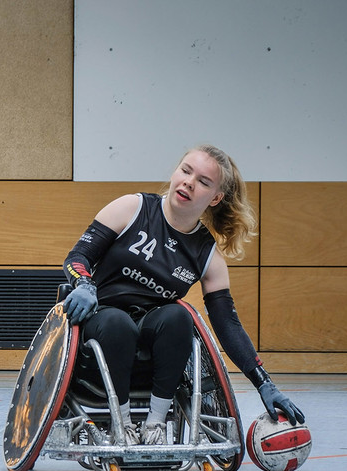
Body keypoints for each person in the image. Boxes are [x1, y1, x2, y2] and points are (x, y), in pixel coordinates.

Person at [60, 144, 305, 445]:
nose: (189, 182)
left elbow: (227, 325)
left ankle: (155, 424)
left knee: (180, 315)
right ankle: (120, 424)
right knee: (118, 323)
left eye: (203, 181)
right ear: (176, 173)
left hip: (154, 340)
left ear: (215, 198)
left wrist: (263, 383)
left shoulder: (207, 255)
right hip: (100, 327)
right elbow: (77, 257)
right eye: (186, 171)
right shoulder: (132, 208)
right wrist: (84, 284)